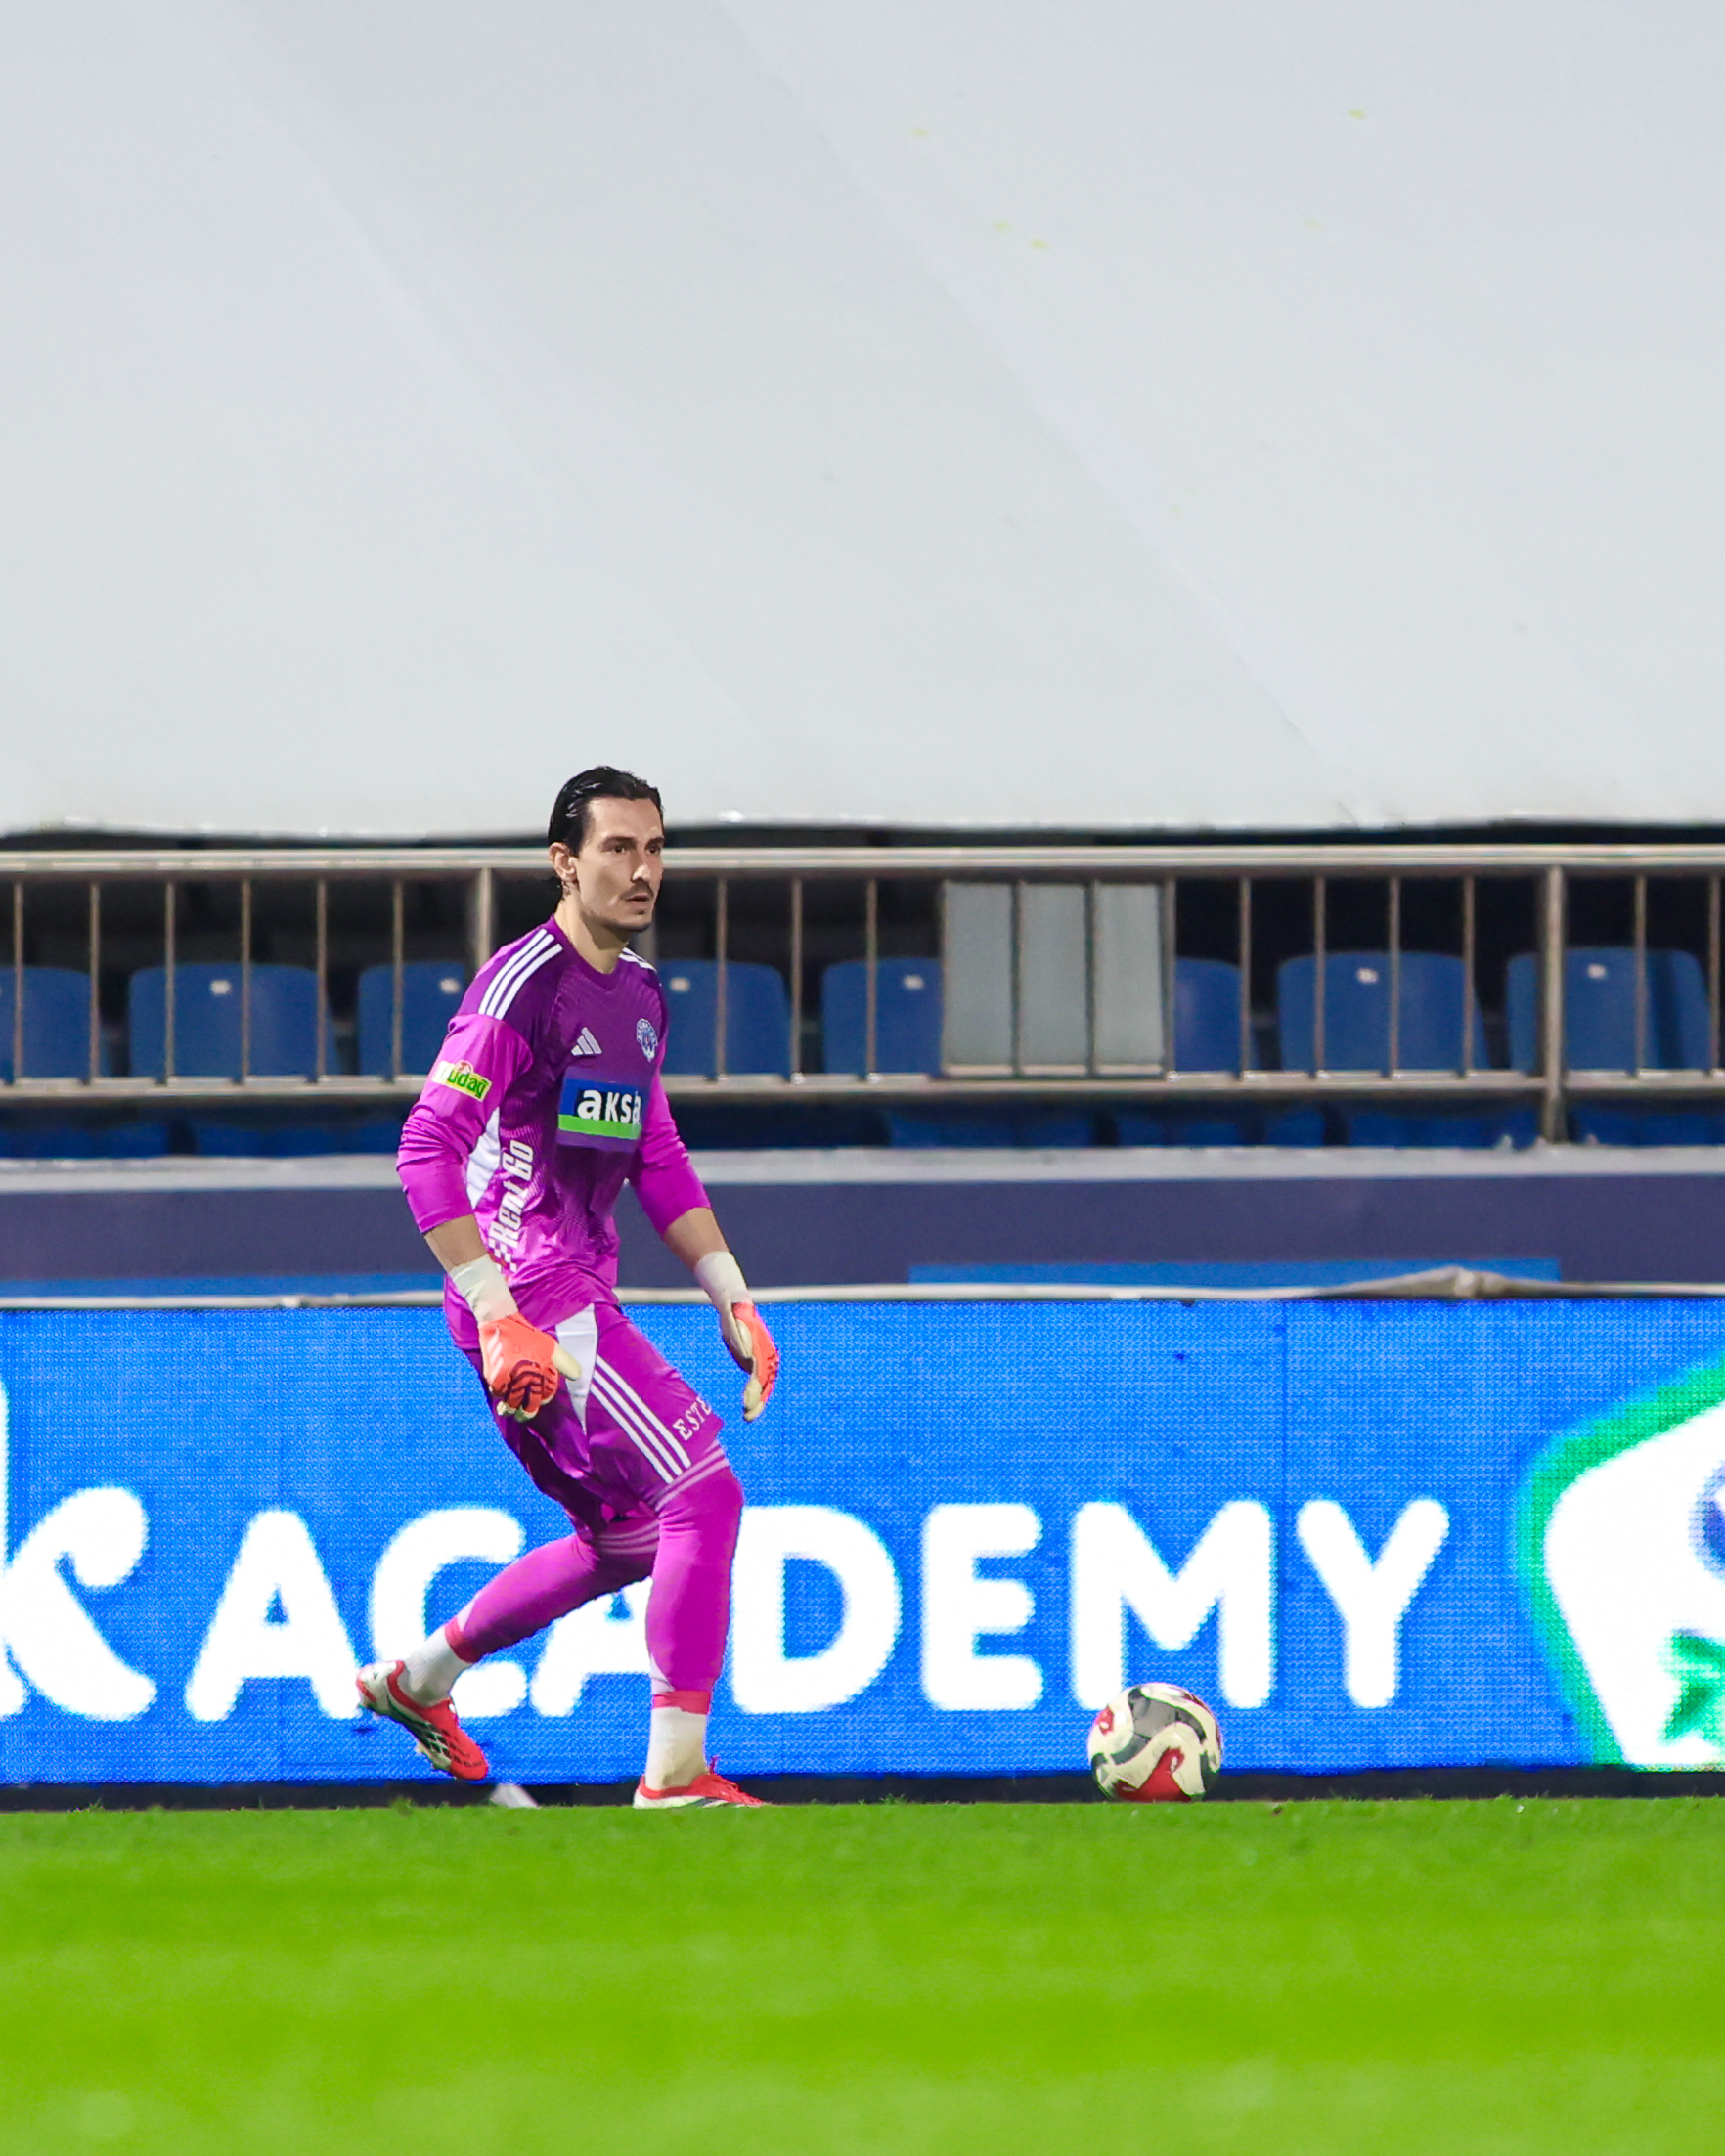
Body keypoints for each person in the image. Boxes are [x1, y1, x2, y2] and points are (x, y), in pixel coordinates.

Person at [356, 766, 778, 1808]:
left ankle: (419, 1680)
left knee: (629, 1539)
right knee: (704, 1493)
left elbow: (654, 1152)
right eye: (617, 848)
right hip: (534, 1302)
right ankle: (674, 1778)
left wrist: (730, 1291)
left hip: (563, 1298)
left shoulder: (640, 997)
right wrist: (499, 1315)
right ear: (564, 862)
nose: (642, 871)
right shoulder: (522, 989)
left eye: (654, 849)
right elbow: (424, 1149)